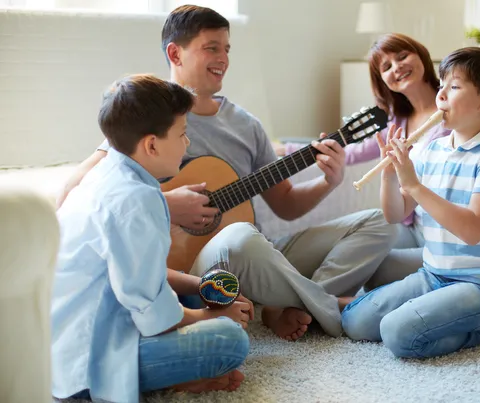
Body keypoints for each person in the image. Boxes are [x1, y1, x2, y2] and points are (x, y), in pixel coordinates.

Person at [55, 6, 398, 341]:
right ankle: (330, 307)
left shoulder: (246, 125)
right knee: (240, 237)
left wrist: (329, 181)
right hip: (190, 268)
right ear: (175, 53)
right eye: (211, 48)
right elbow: (78, 190)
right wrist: (165, 204)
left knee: (380, 222)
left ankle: (284, 304)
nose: (223, 58)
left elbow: (286, 206)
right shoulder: (152, 116)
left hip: (258, 253)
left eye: (227, 49)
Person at [276, 33, 480, 291]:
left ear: (420, 55)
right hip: (412, 226)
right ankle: (304, 290)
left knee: (376, 266)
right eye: (386, 67)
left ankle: (313, 300)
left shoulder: (461, 111)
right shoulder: (397, 124)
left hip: (450, 237)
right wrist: (283, 148)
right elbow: (350, 152)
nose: (396, 67)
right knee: (362, 234)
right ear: (383, 81)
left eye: (401, 56)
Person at [51, 74, 251, 402]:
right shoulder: (135, 200)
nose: (187, 144)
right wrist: (212, 317)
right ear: (152, 144)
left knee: (195, 295)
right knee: (230, 340)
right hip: (89, 359)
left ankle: (180, 372)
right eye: (182, 134)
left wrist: (199, 285)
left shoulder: (107, 174)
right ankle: (171, 376)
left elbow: (134, 275)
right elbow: (152, 316)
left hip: (75, 331)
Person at [341, 46, 480, 359]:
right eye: (441, 86)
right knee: (354, 323)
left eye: (454, 87)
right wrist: (390, 174)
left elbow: (472, 230)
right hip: (434, 275)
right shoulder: (431, 150)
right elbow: (396, 214)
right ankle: (435, 313)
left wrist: (413, 184)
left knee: (398, 334)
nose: (441, 95)